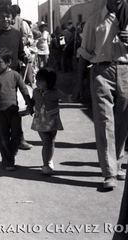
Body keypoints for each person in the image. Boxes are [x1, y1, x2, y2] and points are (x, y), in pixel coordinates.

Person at [75, 0, 128, 189]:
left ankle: (117, 164)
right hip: (101, 72)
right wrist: (79, 82)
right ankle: (109, 173)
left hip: (126, 71)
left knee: (123, 122)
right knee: (105, 122)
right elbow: (85, 53)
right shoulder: (94, 21)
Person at [0, 5, 32, 149]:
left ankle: (19, 139)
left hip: (13, 75)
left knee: (14, 106)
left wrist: (25, 57)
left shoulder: (16, 34)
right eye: (2, 16)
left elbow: (20, 52)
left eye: (8, 16)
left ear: (12, 18)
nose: (5, 19)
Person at [0, 48, 32, 171]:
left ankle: (11, 152)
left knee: (17, 135)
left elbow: (23, 89)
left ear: (9, 62)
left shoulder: (15, 75)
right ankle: (8, 162)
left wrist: (29, 103)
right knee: (3, 138)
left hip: (13, 111)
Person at [31, 68, 71, 175]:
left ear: (49, 83)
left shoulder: (55, 93)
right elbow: (33, 101)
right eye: (37, 80)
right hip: (40, 121)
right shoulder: (35, 92)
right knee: (46, 142)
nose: (37, 82)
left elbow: (66, 98)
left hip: (52, 121)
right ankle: (45, 165)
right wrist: (29, 107)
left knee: (51, 142)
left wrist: (75, 95)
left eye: (40, 81)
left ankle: (49, 160)